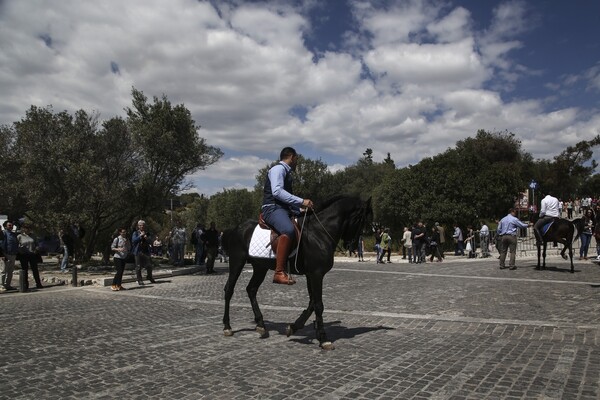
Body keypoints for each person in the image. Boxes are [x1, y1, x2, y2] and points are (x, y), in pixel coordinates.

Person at [261, 147, 313, 285]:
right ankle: (279, 272)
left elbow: (286, 199)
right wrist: (302, 201)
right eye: (296, 159)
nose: (297, 162)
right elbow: (277, 192)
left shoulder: (287, 172)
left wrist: (300, 208)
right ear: (291, 157)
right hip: (272, 208)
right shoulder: (278, 169)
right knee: (288, 230)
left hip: (283, 209)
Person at [17, 224, 43, 290]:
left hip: (32, 254)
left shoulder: (33, 236)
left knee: (35, 269)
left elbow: (37, 244)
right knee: (24, 270)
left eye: (28, 228)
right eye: (25, 228)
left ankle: (38, 283)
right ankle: (25, 284)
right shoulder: (19, 236)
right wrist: (20, 251)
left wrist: (36, 250)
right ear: (23, 229)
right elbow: (17, 245)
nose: (27, 229)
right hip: (23, 255)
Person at [131, 220, 155, 285]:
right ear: (138, 226)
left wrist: (146, 238)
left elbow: (151, 241)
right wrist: (140, 236)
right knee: (138, 266)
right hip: (138, 251)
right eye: (141, 225)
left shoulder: (147, 233)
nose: (142, 226)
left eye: (143, 225)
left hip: (145, 251)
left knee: (149, 265)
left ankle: (149, 276)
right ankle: (139, 280)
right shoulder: (135, 233)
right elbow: (133, 241)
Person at [1, 220, 18, 291]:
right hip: (5, 254)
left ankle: (8, 285)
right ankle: (1, 285)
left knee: (10, 271)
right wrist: (2, 254)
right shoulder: (3, 234)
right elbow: (1, 244)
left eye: (12, 225)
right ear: (5, 226)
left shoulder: (14, 234)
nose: (11, 226)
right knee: (3, 270)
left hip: (13, 254)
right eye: (9, 225)